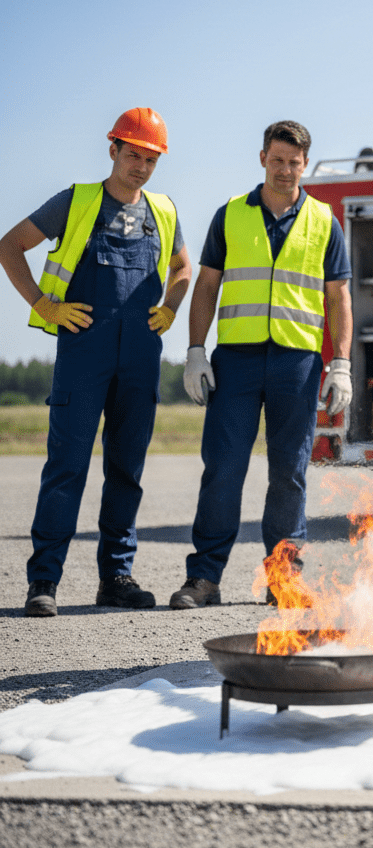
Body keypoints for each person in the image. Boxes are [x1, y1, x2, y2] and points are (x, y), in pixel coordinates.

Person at [0, 108, 192, 617]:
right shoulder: (77, 201)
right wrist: (43, 305)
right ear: (113, 150)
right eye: (134, 155)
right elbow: (9, 246)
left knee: (126, 471)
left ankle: (117, 579)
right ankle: (44, 582)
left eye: (151, 159)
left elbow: (182, 267)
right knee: (66, 468)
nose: (142, 167)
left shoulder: (164, 210)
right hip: (84, 351)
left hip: (140, 358)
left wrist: (171, 307)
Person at [169, 120, 353, 609]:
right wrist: (194, 351)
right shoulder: (229, 216)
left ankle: (284, 580)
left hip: (297, 363)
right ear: (262, 159)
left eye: (294, 162)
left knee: (289, 473)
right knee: (223, 470)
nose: (285, 170)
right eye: (277, 160)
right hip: (237, 361)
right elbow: (207, 286)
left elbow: (339, 298)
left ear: (304, 164)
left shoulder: (324, 220)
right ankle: (204, 579)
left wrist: (342, 364)